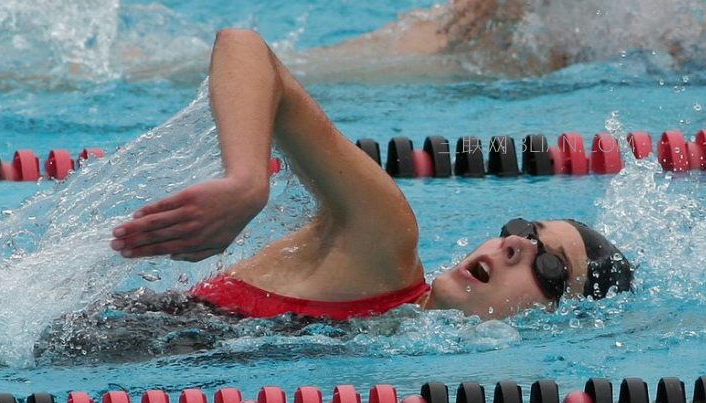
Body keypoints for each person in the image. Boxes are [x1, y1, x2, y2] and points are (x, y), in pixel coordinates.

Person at [109, 28, 634, 323]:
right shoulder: (384, 242)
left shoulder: (399, 343)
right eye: (522, 229)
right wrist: (247, 181)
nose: (515, 245)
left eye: (549, 265)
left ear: (560, 318)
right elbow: (244, 46)